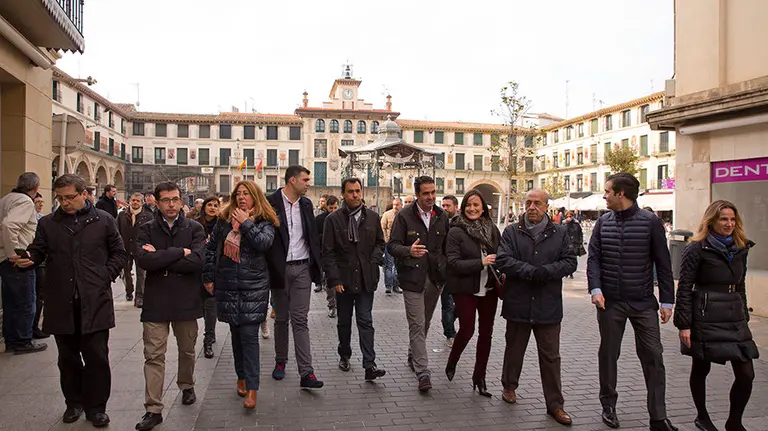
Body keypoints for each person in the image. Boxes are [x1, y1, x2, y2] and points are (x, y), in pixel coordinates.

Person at [21, 173, 128, 427]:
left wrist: (104, 276)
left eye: (69, 197)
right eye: (60, 198)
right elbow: (39, 250)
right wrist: (28, 258)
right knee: (67, 358)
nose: (64, 203)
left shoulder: (103, 220)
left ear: (84, 194)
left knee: (97, 358)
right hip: (61, 301)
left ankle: (96, 407)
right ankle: (74, 402)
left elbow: (119, 252)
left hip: (95, 300)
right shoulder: (48, 223)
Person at [587, 173, 677, 431]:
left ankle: (658, 418)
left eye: (607, 192)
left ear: (621, 194)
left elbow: (663, 263)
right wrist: (595, 288)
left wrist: (667, 301)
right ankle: (608, 406)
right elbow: (593, 258)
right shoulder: (603, 222)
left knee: (654, 357)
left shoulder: (650, 222)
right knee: (608, 355)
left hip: (643, 303)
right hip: (609, 303)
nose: (604, 196)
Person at [674, 200, 759, 431]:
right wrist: (684, 324)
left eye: (732, 219)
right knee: (701, 368)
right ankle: (702, 416)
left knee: (746, 373)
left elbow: (740, 285)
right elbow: (684, 287)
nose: (729, 224)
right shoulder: (696, 248)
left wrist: (744, 314)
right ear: (712, 221)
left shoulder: (741, 248)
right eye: (723, 219)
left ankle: (734, 422)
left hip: (734, 316)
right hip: (705, 314)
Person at [496, 189, 576, 426]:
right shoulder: (512, 231)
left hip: (548, 305)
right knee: (514, 350)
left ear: (546, 206)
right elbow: (503, 259)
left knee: (551, 356)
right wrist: (531, 271)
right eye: (528, 203)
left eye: (537, 203)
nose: (532, 207)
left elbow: (570, 261)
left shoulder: (559, 232)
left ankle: (555, 405)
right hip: (518, 302)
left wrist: (547, 272)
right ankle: (509, 386)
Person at [134, 182, 206, 431]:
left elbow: (197, 261)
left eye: (175, 199)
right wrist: (179, 252)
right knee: (153, 355)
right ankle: (153, 409)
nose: (172, 204)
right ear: (156, 202)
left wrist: (162, 256)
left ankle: (187, 384)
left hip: (186, 300)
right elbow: (143, 261)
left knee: (187, 350)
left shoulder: (195, 228)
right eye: (166, 200)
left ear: (181, 200)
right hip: (156, 301)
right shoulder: (146, 229)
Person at [203, 181, 278, 409]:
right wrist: (208, 277)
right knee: (236, 337)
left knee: (249, 338)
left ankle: (253, 389)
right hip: (228, 285)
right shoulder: (224, 221)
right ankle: (241, 376)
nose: (242, 197)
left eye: (247, 193)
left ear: (256, 196)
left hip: (253, 287)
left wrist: (246, 223)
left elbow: (263, 243)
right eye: (239, 194)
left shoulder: (265, 220)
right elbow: (210, 248)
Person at [388, 176, 449, 392]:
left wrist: (444, 268)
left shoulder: (442, 216)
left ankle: (413, 354)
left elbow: (446, 247)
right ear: (417, 194)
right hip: (412, 278)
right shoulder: (404, 216)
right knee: (416, 323)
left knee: (425, 322)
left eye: (433, 192)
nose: (431, 197)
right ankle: (423, 372)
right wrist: (408, 251)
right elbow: (392, 245)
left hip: (435, 278)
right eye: (426, 193)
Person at [322, 178, 387, 381]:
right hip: (343, 280)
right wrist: (334, 279)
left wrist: (373, 261)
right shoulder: (333, 220)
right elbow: (328, 252)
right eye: (350, 191)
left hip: (367, 278)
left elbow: (380, 243)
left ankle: (370, 364)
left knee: (365, 320)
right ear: (343, 194)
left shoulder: (373, 218)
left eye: (358, 191)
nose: (355, 195)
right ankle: (344, 354)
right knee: (344, 321)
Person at [265, 165, 324, 389]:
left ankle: (306, 372)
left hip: (302, 269)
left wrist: (316, 266)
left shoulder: (307, 204)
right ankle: (281, 361)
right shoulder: (271, 202)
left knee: (300, 319)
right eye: (305, 179)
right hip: (279, 269)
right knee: (281, 318)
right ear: (292, 180)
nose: (309, 183)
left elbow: (311, 237)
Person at [444, 190, 501, 398]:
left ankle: (480, 377)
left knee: (486, 333)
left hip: (489, 289)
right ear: (463, 207)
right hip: (465, 288)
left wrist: (501, 261)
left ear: (483, 207)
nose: (472, 208)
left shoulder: (492, 229)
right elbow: (452, 262)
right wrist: (481, 263)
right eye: (469, 204)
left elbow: (502, 254)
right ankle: (452, 360)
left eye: (476, 205)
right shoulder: (456, 231)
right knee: (467, 329)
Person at [0, 172, 47, 354]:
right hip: (18, 258)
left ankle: (12, 339)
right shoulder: (25, 201)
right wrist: (14, 253)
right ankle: (21, 340)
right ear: (35, 188)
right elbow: (10, 225)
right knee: (26, 300)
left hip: (5, 257)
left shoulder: (6, 199)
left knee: (11, 301)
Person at [195, 196, 223, 358]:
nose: (212, 207)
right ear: (204, 207)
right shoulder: (196, 224)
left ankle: (209, 337)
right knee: (204, 303)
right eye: (209, 205)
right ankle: (209, 330)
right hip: (198, 267)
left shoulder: (222, 224)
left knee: (211, 302)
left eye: (215, 205)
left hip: (215, 267)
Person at [117, 192, 154, 306]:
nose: (135, 202)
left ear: (142, 203)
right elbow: (116, 231)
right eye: (133, 200)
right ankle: (129, 290)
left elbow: (151, 232)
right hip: (126, 247)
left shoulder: (148, 216)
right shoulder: (122, 215)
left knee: (141, 273)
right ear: (130, 201)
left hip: (140, 248)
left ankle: (139, 296)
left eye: (138, 201)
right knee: (126, 272)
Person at [314, 195, 339, 317]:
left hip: (340, 255)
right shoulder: (319, 219)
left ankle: (339, 304)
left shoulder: (343, 219)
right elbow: (315, 238)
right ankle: (332, 305)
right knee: (330, 281)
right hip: (326, 255)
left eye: (335, 208)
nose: (333, 210)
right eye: (331, 208)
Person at [440, 195, 459, 347]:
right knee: (447, 303)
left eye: (448, 206)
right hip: (445, 270)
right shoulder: (439, 222)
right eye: (443, 205)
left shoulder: (462, 223)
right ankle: (450, 333)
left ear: (456, 207)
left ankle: (448, 320)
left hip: (461, 270)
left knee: (459, 304)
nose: (445, 208)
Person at [31, 193, 48, 339]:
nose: (41, 204)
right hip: (35, 261)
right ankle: (31, 328)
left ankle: (34, 326)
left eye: (42, 201)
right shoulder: (36, 219)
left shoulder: (42, 218)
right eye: (38, 201)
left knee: (39, 295)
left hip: (41, 262)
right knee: (36, 295)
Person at [380, 197, 403, 294]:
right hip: (389, 243)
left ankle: (396, 285)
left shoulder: (404, 215)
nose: (395, 207)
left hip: (400, 244)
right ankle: (389, 286)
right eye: (394, 204)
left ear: (401, 205)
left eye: (397, 205)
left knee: (397, 265)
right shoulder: (387, 214)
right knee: (389, 265)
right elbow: (382, 227)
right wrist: (386, 240)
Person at [563, 210, 585, 279]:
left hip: (575, 244)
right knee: (566, 259)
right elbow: (562, 234)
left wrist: (580, 242)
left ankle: (571, 272)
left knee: (573, 258)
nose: (569, 217)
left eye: (570, 216)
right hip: (567, 244)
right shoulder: (564, 224)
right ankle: (567, 272)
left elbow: (580, 233)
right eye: (568, 216)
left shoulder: (576, 224)